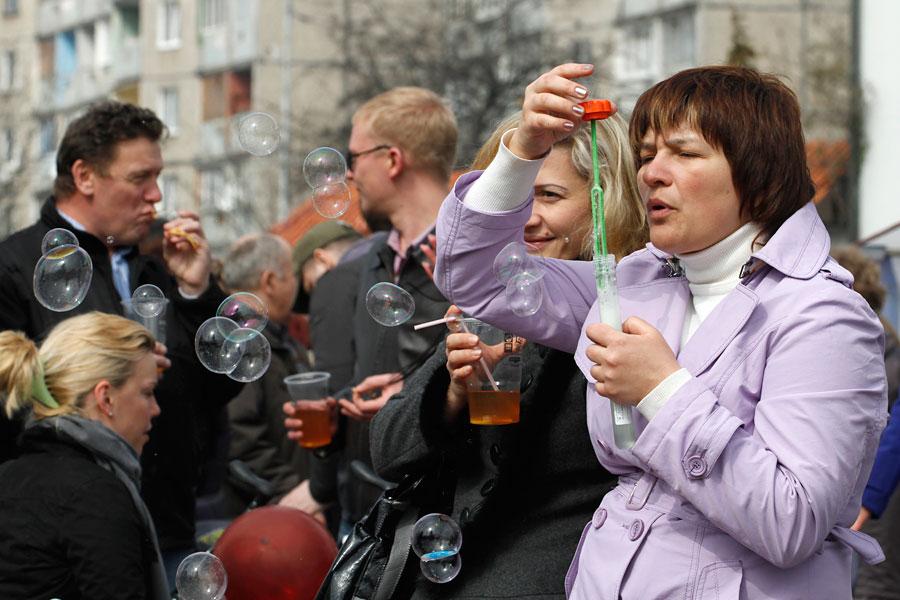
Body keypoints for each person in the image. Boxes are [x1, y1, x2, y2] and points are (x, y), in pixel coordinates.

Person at [433, 63, 887, 598]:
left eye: (685, 153)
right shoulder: (635, 282)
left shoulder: (824, 315)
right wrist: (523, 150)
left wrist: (663, 391)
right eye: (647, 155)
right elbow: (475, 275)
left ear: (760, 175)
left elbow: (790, 522)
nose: (651, 172)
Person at [370, 110, 647, 598]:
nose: (528, 218)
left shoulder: (634, 315)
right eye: (517, 199)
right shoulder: (490, 310)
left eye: (550, 196)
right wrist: (453, 392)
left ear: (608, 204)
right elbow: (387, 451)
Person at [0, 101, 242, 584]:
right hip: (62, 536)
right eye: (139, 178)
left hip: (165, 525)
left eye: (159, 177)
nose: (156, 196)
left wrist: (196, 292)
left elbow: (218, 390)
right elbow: (10, 407)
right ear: (85, 176)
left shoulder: (157, 268)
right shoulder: (16, 267)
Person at [284, 87, 457, 539]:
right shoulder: (358, 271)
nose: (348, 173)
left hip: (445, 516)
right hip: (367, 518)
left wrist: (417, 400)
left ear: (392, 159)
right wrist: (332, 416)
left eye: (353, 155)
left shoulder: (479, 259)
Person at [0, 312, 167, 599]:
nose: (156, 409)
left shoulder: (8, 474)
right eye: (148, 392)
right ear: (106, 398)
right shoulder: (96, 495)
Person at [217, 233, 322, 519]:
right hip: (267, 516)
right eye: (291, 275)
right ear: (270, 282)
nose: (297, 284)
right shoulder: (240, 343)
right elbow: (239, 441)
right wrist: (291, 491)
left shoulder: (279, 336)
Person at [832, 245, 900, 599]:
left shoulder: (868, 345)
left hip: (877, 489)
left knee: (876, 581)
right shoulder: (886, 341)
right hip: (866, 489)